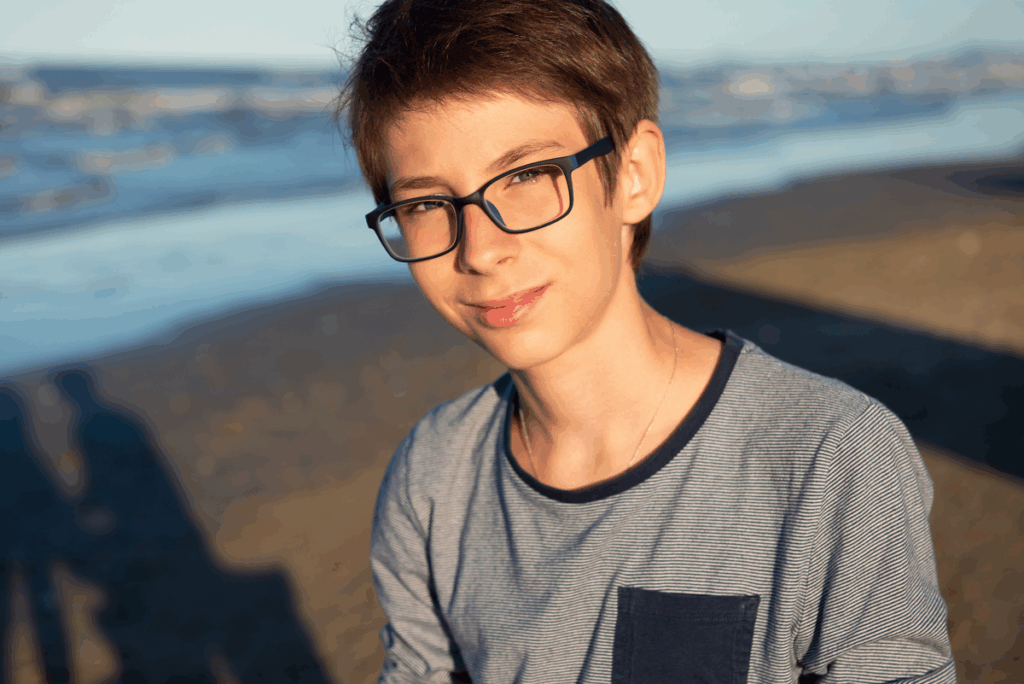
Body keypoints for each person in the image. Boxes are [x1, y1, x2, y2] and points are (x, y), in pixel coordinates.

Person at [330, 0, 956, 681]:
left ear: (635, 175)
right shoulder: (434, 477)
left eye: (526, 177)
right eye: (426, 204)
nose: (480, 250)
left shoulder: (831, 457)